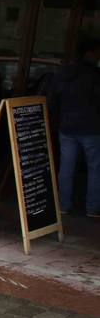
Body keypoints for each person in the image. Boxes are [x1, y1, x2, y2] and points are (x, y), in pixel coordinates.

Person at [48, 38, 100, 217]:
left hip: (67, 126)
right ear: (90, 54)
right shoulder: (94, 75)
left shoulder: (64, 73)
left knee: (66, 166)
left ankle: (63, 204)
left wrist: (56, 122)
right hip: (91, 127)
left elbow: (53, 99)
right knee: (95, 167)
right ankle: (93, 207)